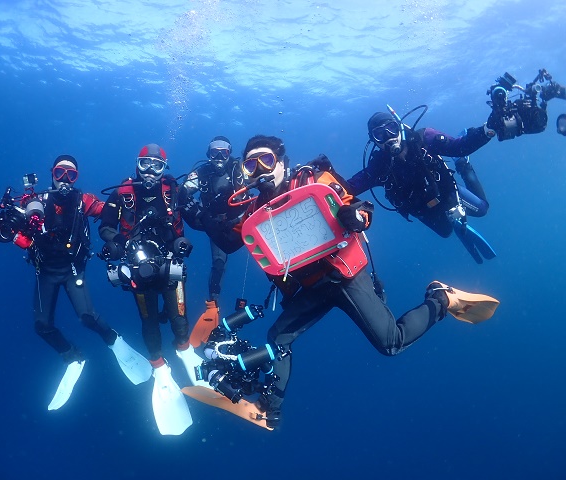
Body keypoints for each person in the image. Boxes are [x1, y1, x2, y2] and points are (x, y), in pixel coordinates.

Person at [198, 134, 499, 429]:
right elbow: (229, 241)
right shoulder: (254, 211)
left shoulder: (312, 180)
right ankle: (269, 408)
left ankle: (442, 298)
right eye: (251, 165)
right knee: (278, 338)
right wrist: (197, 214)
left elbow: (358, 207)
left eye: (266, 160)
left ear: (282, 162)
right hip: (311, 287)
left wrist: (354, 215)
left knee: (391, 343)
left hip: (343, 275)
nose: (260, 170)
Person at [0, 154, 152, 411]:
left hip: (72, 270)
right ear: (52, 173)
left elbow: (110, 211)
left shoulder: (83, 201)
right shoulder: (35, 202)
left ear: (76, 178)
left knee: (87, 317)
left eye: (71, 175)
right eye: (60, 173)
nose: (65, 180)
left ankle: (114, 341)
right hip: (45, 272)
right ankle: (72, 356)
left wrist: (131, 204)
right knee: (42, 326)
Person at [98, 143, 204, 435]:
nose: (149, 171)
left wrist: (209, 223)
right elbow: (105, 226)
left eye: (156, 166)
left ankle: (183, 349)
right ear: (136, 164)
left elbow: (197, 219)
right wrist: (121, 243)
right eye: (144, 163)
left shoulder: (174, 191)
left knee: (179, 319)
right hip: (137, 266)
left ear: (164, 169)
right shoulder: (123, 193)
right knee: (149, 321)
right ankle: (158, 365)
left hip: (169, 262)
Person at [347, 109, 496, 263]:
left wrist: (488, 130)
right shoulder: (378, 167)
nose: (389, 137)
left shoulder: (424, 139)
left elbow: (459, 146)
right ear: (374, 140)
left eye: (391, 128)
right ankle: (453, 221)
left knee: (482, 209)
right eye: (380, 134)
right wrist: (330, 178)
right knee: (446, 233)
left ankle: (463, 165)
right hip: (423, 210)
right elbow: (349, 187)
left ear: (399, 126)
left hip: (446, 193)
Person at [180, 135, 249, 346]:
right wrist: (199, 215)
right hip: (213, 224)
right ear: (208, 154)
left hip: (240, 221)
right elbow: (183, 192)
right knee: (219, 264)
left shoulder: (239, 169)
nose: (219, 157)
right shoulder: (201, 173)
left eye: (224, 153)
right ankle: (212, 307)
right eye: (214, 153)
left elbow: (258, 180)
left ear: (230, 153)